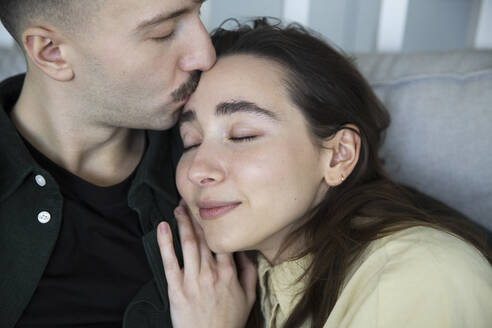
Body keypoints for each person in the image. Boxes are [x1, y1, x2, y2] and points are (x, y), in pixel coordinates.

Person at [157, 19, 492, 328]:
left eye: (243, 135)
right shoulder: (232, 287)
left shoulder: (419, 276)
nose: (199, 169)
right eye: (190, 142)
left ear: (339, 155)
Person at [0, 0, 215, 327]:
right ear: (51, 52)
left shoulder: (221, 168)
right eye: (163, 32)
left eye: (198, 12)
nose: (205, 55)